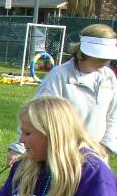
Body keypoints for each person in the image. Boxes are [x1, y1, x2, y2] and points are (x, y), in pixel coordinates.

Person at [8, 24, 117, 165]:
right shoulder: (59, 76)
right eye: (101, 57)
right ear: (85, 52)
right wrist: (18, 149)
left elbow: (113, 115)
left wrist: (105, 148)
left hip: (97, 158)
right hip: (62, 159)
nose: (105, 61)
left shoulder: (109, 77)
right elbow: (35, 115)